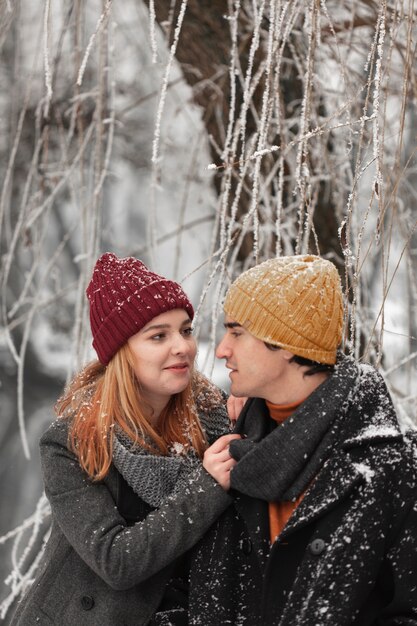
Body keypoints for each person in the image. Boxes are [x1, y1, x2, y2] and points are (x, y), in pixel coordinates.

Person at [10, 252, 238, 626]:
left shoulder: (214, 417)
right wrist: (206, 486)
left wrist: (254, 398)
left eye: (185, 330)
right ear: (121, 353)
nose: (182, 347)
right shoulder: (71, 443)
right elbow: (116, 561)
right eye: (158, 336)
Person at [189, 254, 417, 625]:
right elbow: (181, 590)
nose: (220, 349)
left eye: (236, 332)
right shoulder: (227, 452)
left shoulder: (393, 468)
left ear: (286, 343)